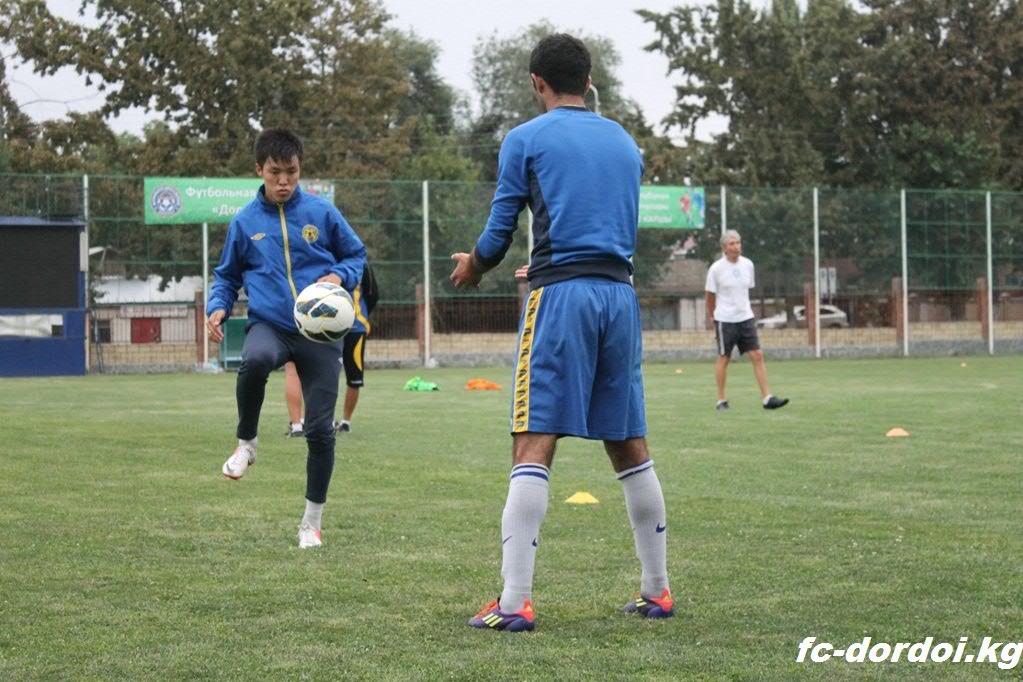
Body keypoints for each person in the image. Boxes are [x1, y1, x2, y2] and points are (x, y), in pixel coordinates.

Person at [450, 33, 673, 632]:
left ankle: (514, 602)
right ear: (588, 80)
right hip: (619, 297)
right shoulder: (625, 143)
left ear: (537, 83)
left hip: (561, 300)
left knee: (532, 440)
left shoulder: (526, 139)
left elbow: (498, 234)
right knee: (629, 442)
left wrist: (473, 266)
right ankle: (657, 591)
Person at [206, 127, 366, 549]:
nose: (283, 181)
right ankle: (247, 444)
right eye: (275, 172)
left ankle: (311, 523)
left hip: (320, 333)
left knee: (320, 430)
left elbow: (356, 255)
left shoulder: (322, 212)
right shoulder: (245, 222)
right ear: (259, 169)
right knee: (255, 360)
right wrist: (217, 306)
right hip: (271, 325)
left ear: (300, 169)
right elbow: (226, 277)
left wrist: (339, 276)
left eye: (291, 172)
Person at [284, 262, 376, 437]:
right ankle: (307, 422)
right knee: (318, 374)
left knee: (354, 377)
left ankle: (345, 422)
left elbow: (373, 294)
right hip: (321, 327)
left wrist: (359, 315)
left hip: (354, 328)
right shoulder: (319, 260)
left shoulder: (358, 264)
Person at [705, 229, 788, 411]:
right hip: (725, 320)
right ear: (724, 248)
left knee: (757, 355)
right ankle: (721, 400)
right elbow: (710, 296)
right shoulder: (716, 269)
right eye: (732, 244)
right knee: (724, 357)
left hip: (746, 317)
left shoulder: (748, 265)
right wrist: (712, 316)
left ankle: (767, 398)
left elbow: (745, 290)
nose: (736, 246)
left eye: (738, 243)